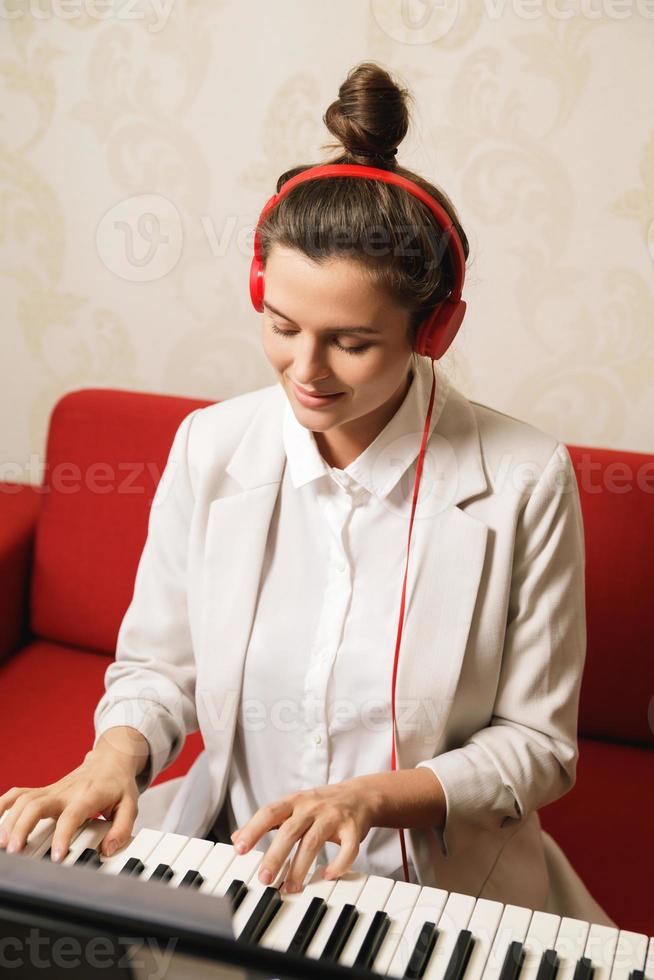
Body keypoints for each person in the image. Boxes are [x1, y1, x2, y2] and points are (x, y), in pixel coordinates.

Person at [0, 62, 615, 925]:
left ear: (433, 329)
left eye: (352, 342)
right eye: (282, 326)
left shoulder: (524, 477)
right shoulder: (210, 447)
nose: (306, 371)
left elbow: (539, 748)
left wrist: (374, 797)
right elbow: (160, 668)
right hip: (231, 859)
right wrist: (118, 756)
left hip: (436, 893)